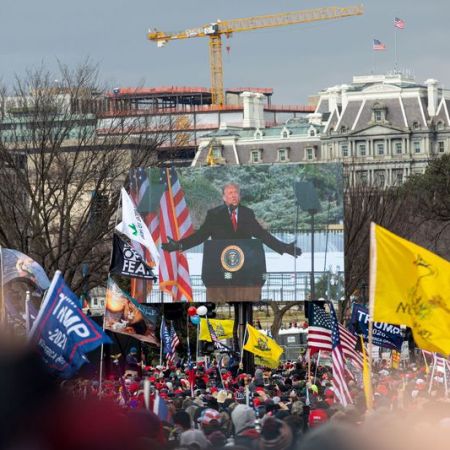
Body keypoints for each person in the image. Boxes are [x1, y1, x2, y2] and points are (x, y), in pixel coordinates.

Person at [162, 183, 301, 256]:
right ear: (224, 197)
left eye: (236, 193)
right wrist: (179, 245)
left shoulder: (247, 213)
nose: (234, 195)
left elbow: (262, 235)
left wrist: (284, 248)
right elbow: (200, 236)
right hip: (220, 261)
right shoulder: (214, 214)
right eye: (230, 193)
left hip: (245, 261)